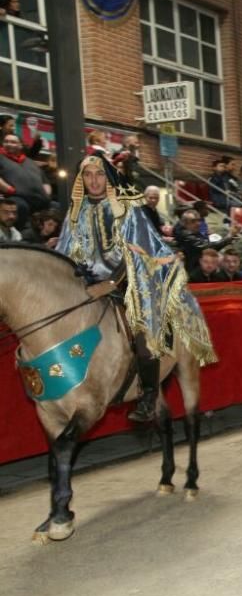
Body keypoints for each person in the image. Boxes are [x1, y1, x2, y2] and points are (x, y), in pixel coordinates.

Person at [56, 155, 217, 422]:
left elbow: (140, 251)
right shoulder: (75, 212)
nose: (94, 180)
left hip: (130, 283)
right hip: (86, 285)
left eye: (99, 174)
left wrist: (110, 284)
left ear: (108, 177)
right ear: (81, 179)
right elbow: (65, 253)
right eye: (88, 175)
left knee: (142, 331)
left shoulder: (126, 209)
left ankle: (149, 395)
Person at [0, 133, 51, 228]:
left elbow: (45, 181)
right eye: (6, 141)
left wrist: (46, 194)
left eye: (13, 142)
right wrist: (10, 190)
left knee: (56, 208)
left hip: (40, 198)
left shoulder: (30, 161)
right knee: (20, 206)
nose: (9, 144)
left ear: (20, 145)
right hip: (16, 197)